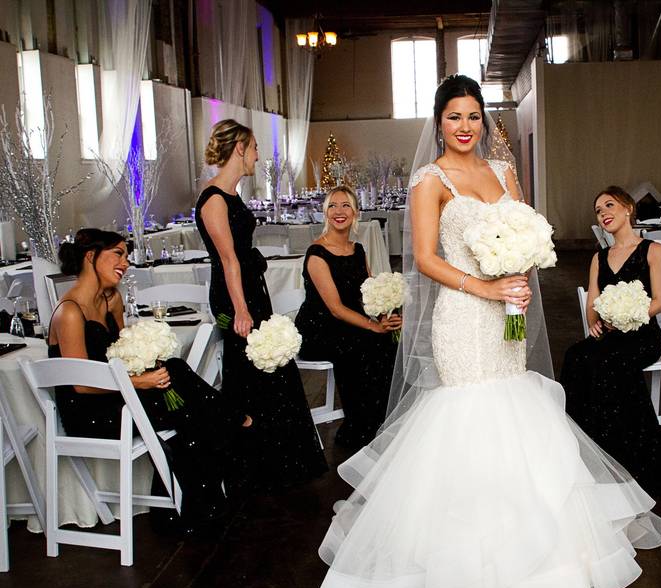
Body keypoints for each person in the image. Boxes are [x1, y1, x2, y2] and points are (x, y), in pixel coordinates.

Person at [313, 75, 661, 588]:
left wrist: (519, 280)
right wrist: (486, 287)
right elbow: (426, 258)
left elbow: (528, 232)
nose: (464, 126)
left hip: (508, 310)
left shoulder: (504, 172)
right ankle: (461, 558)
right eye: (454, 117)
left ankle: (535, 545)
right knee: (469, 413)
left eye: (473, 115)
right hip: (463, 314)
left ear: (483, 120)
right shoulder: (430, 181)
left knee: (515, 404)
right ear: (439, 123)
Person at [47, 229, 250, 530]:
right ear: (91, 257)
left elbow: (121, 352)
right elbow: (80, 383)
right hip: (90, 410)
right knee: (185, 402)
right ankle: (236, 428)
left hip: (119, 396)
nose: (126, 262)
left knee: (178, 380)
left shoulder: (110, 300)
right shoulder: (69, 312)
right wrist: (140, 382)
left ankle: (196, 499)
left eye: (127, 256)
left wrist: (147, 367)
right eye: (118, 253)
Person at [196, 119, 327, 491]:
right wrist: (240, 309)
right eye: (254, 148)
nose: (257, 156)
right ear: (239, 147)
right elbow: (228, 260)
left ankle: (279, 461)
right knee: (247, 371)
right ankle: (253, 467)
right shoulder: (213, 199)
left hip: (252, 290)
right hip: (234, 294)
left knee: (272, 369)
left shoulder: (232, 195)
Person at [560, 186, 661, 483]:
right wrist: (594, 322)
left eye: (609, 205)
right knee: (575, 356)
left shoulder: (653, 251)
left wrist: (628, 316)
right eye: (598, 211)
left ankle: (630, 450)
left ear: (628, 208)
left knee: (609, 363)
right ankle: (586, 444)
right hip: (609, 334)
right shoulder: (600, 256)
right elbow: (593, 300)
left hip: (642, 334)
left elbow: (659, 300)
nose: (604, 213)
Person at [295, 185, 400, 449]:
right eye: (333, 206)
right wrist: (372, 327)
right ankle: (359, 426)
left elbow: (369, 292)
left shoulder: (358, 249)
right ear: (325, 212)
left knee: (389, 343)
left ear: (356, 213)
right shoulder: (317, 253)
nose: (339, 212)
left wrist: (386, 317)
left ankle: (381, 420)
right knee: (363, 345)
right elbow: (335, 307)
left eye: (346, 206)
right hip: (320, 327)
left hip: (351, 322)